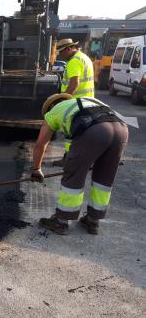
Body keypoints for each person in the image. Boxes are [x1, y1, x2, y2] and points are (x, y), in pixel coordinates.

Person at [31, 93, 128, 235]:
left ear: (51, 107)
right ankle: (93, 220)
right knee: (104, 178)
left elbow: (40, 145)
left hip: (95, 131)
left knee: (73, 175)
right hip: (121, 130)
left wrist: (36, 169)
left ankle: (61, 221)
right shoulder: (84, 102)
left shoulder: (53, 113)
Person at [54, 38, 96, 163]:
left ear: (68, 49)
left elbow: (74, 83)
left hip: (75, 104)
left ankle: (68, 159)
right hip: (86, 102)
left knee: (70, 133)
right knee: (80, 133)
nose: (60, 56)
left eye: (61, 53)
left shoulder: (73, 61)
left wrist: (62, 99)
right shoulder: (84, 57)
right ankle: (76, 158)